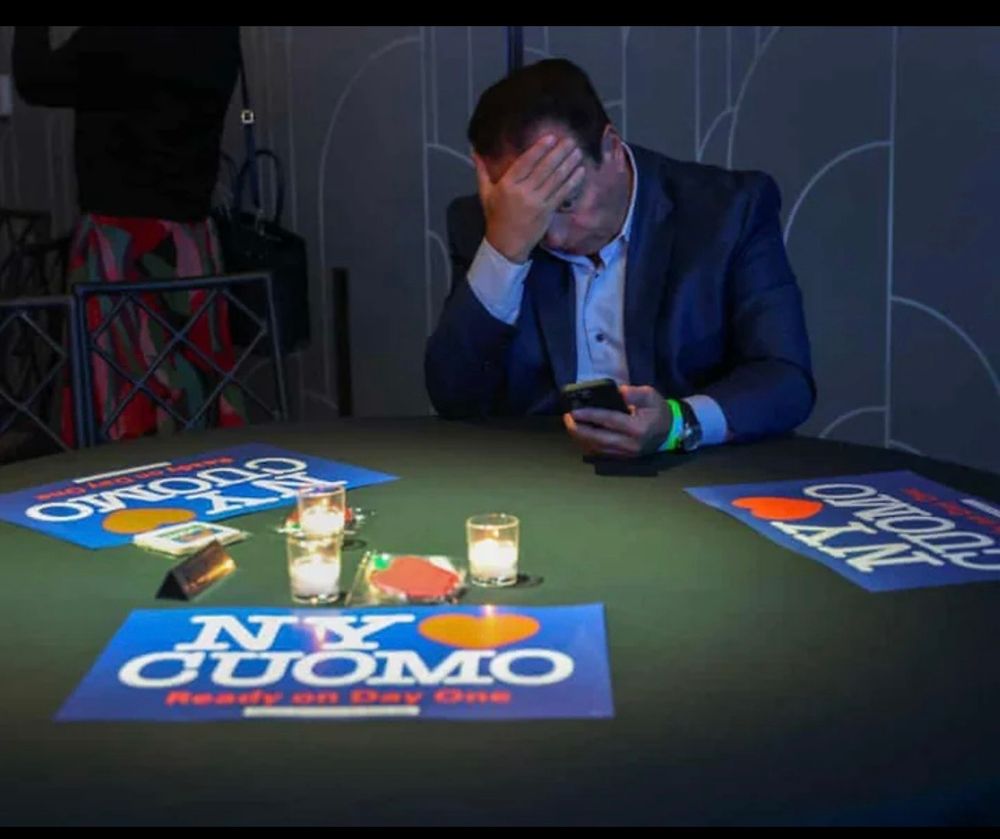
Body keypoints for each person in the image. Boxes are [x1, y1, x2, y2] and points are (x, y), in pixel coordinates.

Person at [425, 58, 815, 458]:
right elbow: (455, 399)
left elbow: (785, 379)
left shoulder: (729, 212)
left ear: (610, 149)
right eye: (531, 211)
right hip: (541, 481)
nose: (551, 236)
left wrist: (679, 423)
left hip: (691, 478)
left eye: (565, 201)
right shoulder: (488, 225)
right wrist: (504, 251)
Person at [13, 25, 245, 443]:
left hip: (121, 247)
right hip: (191, 244)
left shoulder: (116, 35)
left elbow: (35, 80)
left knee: (120, 399)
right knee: (192, 391)